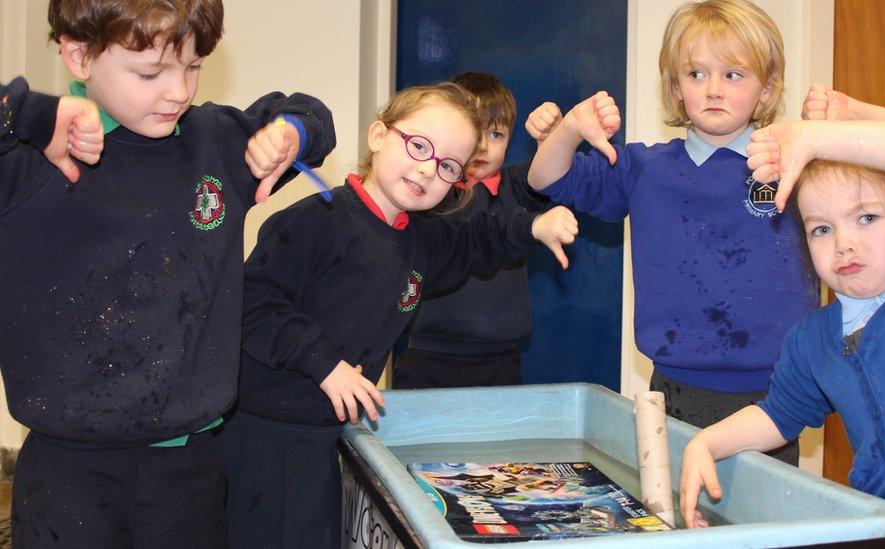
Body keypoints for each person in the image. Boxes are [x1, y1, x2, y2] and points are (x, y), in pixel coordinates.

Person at [0, 1, 335, 546]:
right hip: (67, 475)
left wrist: (293, 132)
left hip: (190, 473)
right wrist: (31, 116)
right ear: (78, 55)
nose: (179, 91)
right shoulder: (26, 161)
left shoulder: (218, 145)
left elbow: (310, 113)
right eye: (151, 73)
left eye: (194, 65)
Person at [217, 82, 578, 547]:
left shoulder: (422, 241)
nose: (428, 169)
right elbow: (254, 305)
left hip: (331, 435)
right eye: (419, 146)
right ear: (377, 135)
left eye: (448, 165)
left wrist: (533, 225)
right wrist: (324, 365)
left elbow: (479, 240)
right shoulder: (314, 222)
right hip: (267, 436)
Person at [526, 0, 817, 464]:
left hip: (774, 399)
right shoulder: (645, 167)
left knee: (761, 533)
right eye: (696, 74)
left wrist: (828, 133)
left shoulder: (796, 168)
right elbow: (546, 180)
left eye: (734, 74)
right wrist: (568, 131)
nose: (714, 89)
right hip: (674, 391)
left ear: (767, 90)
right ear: (675, 87)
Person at [679, 118, 885, 546]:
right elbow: (778, 415)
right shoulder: (812, 340)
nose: (843, 243)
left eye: (867, 217)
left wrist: (817, 136)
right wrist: (705, 443)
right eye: (822, 228)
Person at [393, 72, 550, 389]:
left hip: (498, 360)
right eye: (472, 131)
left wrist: (550, 141)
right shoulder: (432, 188)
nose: (481, 145)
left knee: (498, 439)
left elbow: (547, 172)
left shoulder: (515, 188)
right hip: (425, 354)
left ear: (509, 141)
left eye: (495, 135)